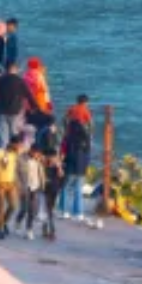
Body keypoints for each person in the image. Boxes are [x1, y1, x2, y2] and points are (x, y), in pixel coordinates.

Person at [60, 96, 95, 225]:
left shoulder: (71, 109)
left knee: (65, 186)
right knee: (78, 188)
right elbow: (91, 124)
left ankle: (64, 210)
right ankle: (78, 213)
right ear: (85, 102)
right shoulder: (86, 111)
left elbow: (64, 119)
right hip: (81, 165)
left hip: (69, 163)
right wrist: (90, 134)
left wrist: (66, 130)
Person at [0, 135, 25, 240]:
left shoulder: (16, 154)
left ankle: (4, 221)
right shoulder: (0, 153)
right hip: (0, 183)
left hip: (11, 183)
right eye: (18, 145)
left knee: (13, 206)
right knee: (1, 205)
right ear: (11, 144)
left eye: (20, 145)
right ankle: (0, 228)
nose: (19, 147)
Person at [0, 61, 29, 147]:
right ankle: (13, 150)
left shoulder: (1, 79)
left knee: (2, 133)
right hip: (15, 110)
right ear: (15, 69)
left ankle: (3, 151)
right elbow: (27, 94)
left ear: (7, 69)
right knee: (13, 133)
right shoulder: (20, 81)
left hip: (2, 109)